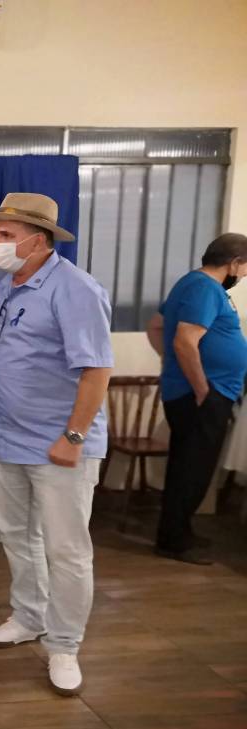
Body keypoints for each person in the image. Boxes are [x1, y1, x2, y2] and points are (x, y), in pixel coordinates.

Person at [0, 192, 112, 697]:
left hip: (61, 445)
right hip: (8, 437)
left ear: (39, 240)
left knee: (67, 550)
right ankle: (29, 616)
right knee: (17, 535)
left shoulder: (75, 288)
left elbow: (97, 370)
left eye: (5, 235)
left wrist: (73, 437)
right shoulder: (4, 282)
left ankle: (65, 645)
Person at [147, 233, 247, 565]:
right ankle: (174, 541)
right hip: (200, 395)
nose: (244, 275)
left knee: (189, 466)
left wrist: (171, 364)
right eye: (245, 267)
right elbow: (184, 341)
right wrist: (202, 388)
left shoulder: (194, 284)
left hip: (197, 392)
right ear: (234, 262)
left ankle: (180, 531)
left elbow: (156, 327)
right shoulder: (204, 288)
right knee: (192, 470)